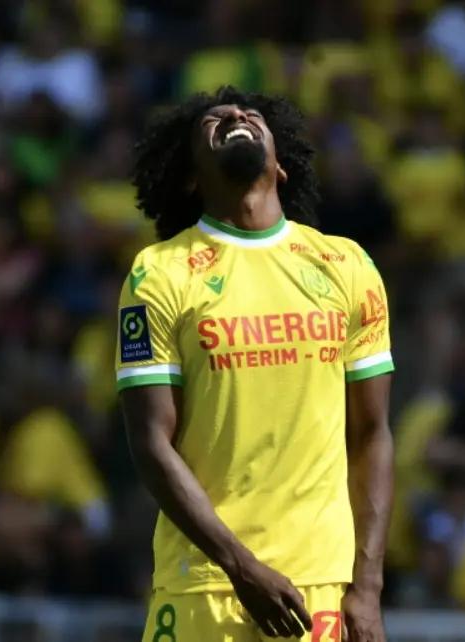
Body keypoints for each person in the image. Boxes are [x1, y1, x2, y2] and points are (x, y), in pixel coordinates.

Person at [120, 86, 394, 641]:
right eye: (213, 120)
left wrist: (365, 587)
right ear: (192, 177)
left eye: (252, 116)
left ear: (282, 166)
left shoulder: (346, 265)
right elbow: (151, 442)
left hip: (320, 587)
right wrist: (239, 564)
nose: (237, 116)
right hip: (204, 586)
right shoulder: (159, 274)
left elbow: (371, 435)